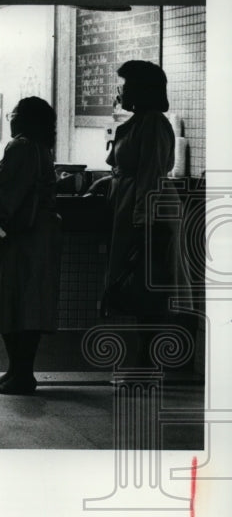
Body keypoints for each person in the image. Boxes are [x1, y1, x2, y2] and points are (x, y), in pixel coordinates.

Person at [102, 60, 187, 365]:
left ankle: (146, 361)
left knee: (146, 283)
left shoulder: (151, 123)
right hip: (138, 208)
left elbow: (149, 175)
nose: (118, 91)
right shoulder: (141, 121)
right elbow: (129, 168)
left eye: (122, 85)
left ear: (139, 89)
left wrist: (142, 221)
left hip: (149, 212)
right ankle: (144, 359)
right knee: (143, 283)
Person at [0, 97, 62, 395]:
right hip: (40, 235)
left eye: (14, 114)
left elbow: (7, 192)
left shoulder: (21, 147)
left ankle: (20, 375)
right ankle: (18, 371)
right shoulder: (42, 148)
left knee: (12, 301)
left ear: (23, 120)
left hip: (19, 236)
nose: (10, 119)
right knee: (30, 303)